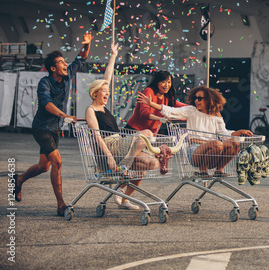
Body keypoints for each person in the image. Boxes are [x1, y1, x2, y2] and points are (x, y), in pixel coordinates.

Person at [13, 32, 93, 217]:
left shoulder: (67, 76)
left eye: (65, 62)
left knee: (44, 166)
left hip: (55, 129)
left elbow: (80, 58)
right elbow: (47, 104)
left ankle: (18, 179)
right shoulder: (44, 82)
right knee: (57, 162)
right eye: (61, 63)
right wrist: (64, 115)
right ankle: (61, 205)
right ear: (52, 68)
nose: (65, 64)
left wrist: (86, 44)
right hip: (41, 128)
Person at [85, 42, 159, 210]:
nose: (107, 93)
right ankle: (123, 167)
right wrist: (109, 158)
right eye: (104, 91)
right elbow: (97, 136)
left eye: (107, 91)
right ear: (95, 93)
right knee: (146, 133)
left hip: (120, 144)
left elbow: (107, 78)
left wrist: (113, 56)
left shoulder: (104, 107)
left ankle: (124, 197)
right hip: (110, 147)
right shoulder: (91, 110)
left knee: (151, 163)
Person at [138, 85, 253, 178]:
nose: (196, 101)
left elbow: (223, 133)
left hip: (214, 152)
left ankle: (219, 170)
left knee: (235, 142)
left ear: (209, 100)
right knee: (217, 143)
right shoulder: (191, 110)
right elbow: (172, 111)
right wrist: (151, 104)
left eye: (200, 98)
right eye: (195, 98)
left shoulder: (217, 115)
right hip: (195, 152)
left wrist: (238, 132)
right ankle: (203, 170)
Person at [111, 71, 188, 205]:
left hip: (149, 137)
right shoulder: (148, 91)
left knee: (144, 168)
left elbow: (180, 107)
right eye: (163, 81)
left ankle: (125, 198)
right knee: (137, 166)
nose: (166, 85)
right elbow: (144, 112)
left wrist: (196, 109)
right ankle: (121, 183)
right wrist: (160, 118)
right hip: (135, 133)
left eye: (169, 82)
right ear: (157, 82)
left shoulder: (168, 98)